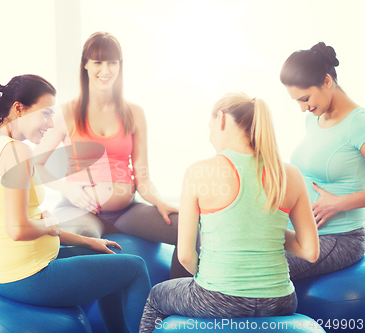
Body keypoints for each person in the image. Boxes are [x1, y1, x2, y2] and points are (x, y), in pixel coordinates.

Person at [0, 74, 151, 333]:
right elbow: (18, 229)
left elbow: (24, 221)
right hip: (26, 276)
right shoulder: (17, 152)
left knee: (106, 255)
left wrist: (89, 241)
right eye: (46, 114)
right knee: (135, 268)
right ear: (19, 109)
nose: (51, 124)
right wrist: (50, 225)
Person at [139, 93, 319, 332]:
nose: (210, 135)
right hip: (280, 300)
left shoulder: (199, 172)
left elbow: (185, 256)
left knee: (155, 297)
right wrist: (262, 228)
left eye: (210, 126)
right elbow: (310, 251)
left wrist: (210, 279)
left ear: (222, 119)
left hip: (218, 297)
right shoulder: (290, 174)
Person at [34, 32, 194, 279]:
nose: (105, 69)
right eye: (98, 62)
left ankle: (172, 299)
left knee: (188, 228)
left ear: (120, 66)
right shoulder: (65, 113)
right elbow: (36, 165)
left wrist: (160, 202)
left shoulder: (134, 113)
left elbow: (142, 175)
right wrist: (68, 189)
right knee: (72, 245)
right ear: (85, 64)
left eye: (112, 62)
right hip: (80, 209)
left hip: (126, 210)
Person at [280, 42, 365, 280]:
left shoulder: (359, 124)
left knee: (258, 266)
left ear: (326, 81)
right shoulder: (314, 119)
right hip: (299, 233)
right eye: (297, 101)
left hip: (340, 239)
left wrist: (340, 203)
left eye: (304, 98)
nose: (302, 108)